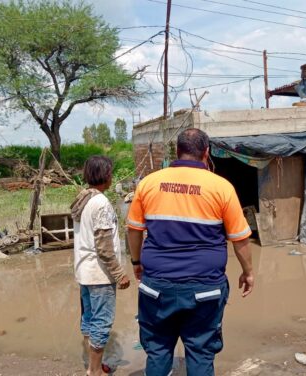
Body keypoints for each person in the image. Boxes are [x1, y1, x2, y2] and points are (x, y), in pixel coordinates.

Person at [127, 128, 254, 376]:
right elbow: (240, 239)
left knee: (158, 349)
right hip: (205, 288)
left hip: (156, 286)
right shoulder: (222, 187)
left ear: (177, 151)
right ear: (206, 152)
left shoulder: (149, 183)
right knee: (200, 351)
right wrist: (248, 272)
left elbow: (134, 231)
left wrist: (136, 262)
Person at [71, 155, 130, 376]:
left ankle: (91, 364)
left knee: (88, 320)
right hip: (100, 276)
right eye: (110, 173)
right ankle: (95, 371)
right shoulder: (101, 203)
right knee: (102, 324)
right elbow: (104, 247)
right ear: (106, 176)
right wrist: (119, 274)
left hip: (84, 272)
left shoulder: (83, 199)